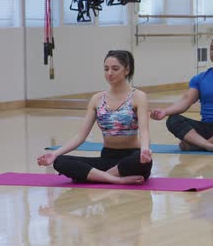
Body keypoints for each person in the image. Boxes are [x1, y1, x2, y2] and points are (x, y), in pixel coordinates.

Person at [37, 50, 152, 184]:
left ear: (127, 70)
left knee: (141, 161)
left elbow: (144, 131)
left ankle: (96, 177)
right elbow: (80, 136)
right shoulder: (97, 99)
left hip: (132, 158)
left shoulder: (139, 96)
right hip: (107, 158)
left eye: (115, 69)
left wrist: (144, 150)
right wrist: (55, 153)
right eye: (106, 69)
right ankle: (116, 180)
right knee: (60, 162)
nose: (109, 73)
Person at [151, 35, 213, 152]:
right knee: (173, 119)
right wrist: (165, 111)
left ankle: (198, 145)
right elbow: (186, 101)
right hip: (206, 128)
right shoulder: (200, 78)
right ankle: (210, 146)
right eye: (212, 48)